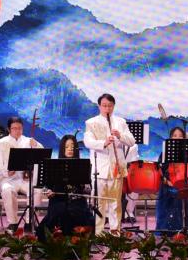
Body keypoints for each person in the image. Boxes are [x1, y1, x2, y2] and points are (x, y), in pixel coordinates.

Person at [84, 94, 136, 233]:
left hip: (116, 167)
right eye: (104, 106)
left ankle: (115, 232)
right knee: (99, 203)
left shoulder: (120, 122)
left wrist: (120, 135)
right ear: (99, 106)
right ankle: (99, 233)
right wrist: (104, 143)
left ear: (113, 106)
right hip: (99, 169)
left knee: (115, 203)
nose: (107, 108)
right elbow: (88, 142)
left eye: (110, 106)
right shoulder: (91, 122)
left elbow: (131, 141)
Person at [0, 116, 44, 231]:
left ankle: (30, 222)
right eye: (14, 128)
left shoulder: (28, 141)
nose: (17, 131)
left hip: (26, 179)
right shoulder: (1, 143)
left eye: (19, 128)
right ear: (9, 129)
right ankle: (13, 222)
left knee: (37, 190)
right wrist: (6, 172)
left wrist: (36, 145)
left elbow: (42, 153)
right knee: (7, 190)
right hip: (8, 179)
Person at [36, 135, 94, 239]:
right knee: (60, 211)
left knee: (77, 211)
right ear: (62, 148)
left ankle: (78, 240)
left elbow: (87, 189)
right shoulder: (54, 165)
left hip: (77, 201)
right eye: (67, 147)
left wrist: (85, 186)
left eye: (72, 146)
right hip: (58, 200)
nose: (70, 149)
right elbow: (46, 187)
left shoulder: (82, 165)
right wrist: (48, 191)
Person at [155, 127, 188, 232]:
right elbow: (160, 171)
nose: (177, 138)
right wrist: (168, 182)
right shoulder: (166, 152)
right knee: (173, 194)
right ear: (170, 138)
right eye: (175, 136)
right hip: (170, 185)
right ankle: (172, 231)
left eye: (180, 136)